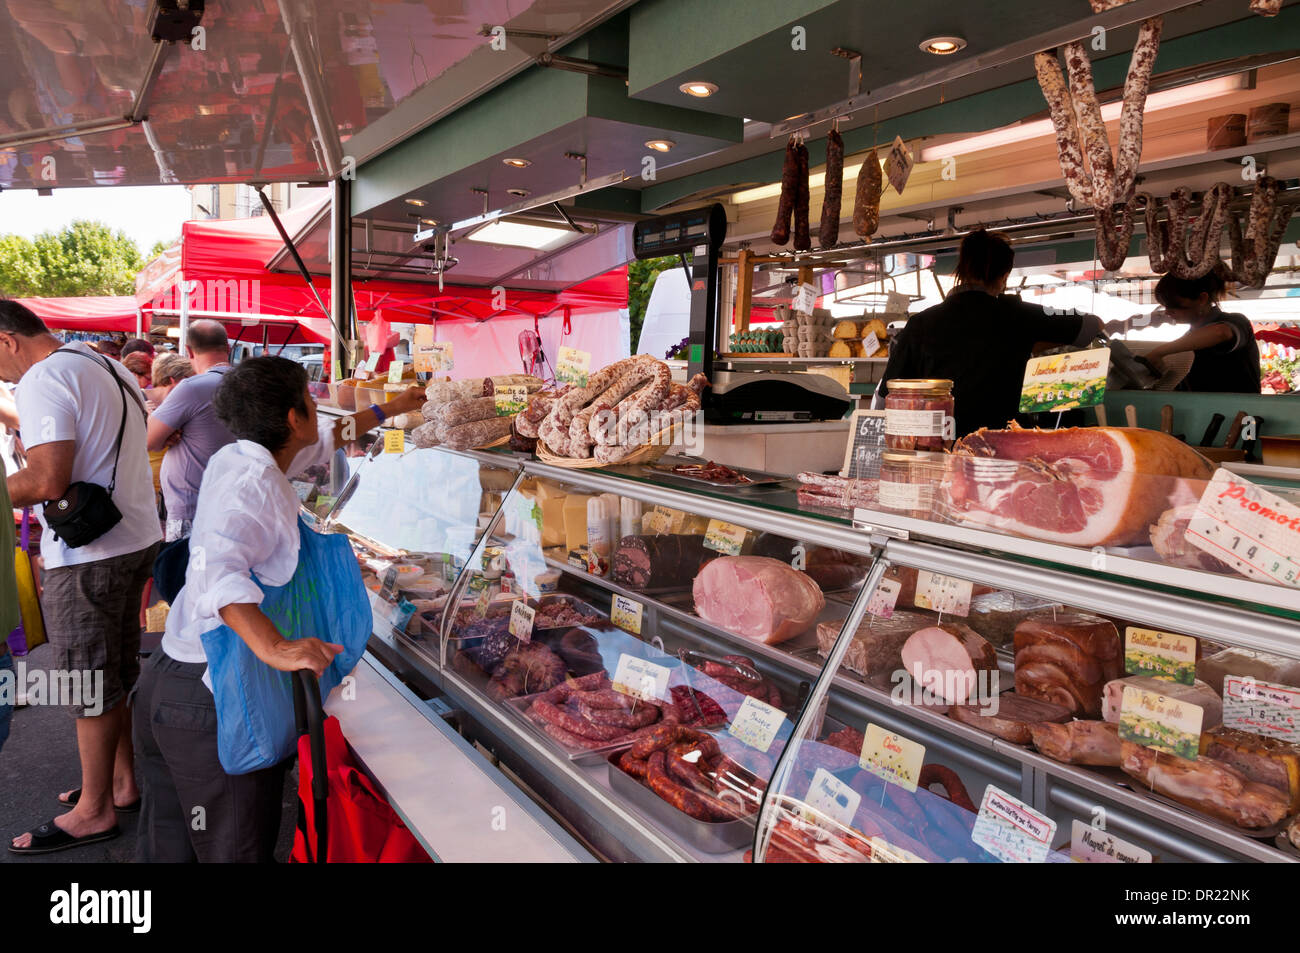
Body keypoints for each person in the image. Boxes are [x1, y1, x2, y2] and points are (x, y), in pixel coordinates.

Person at [133, 356, 424, 862]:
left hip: (172, 679)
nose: (319, 413)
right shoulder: (254, 484)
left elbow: (332, 435)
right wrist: (277, 646)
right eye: (312, 404)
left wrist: (393, 407)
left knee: (171, 840)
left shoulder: (243, 454)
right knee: (236, 847)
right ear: (293, 417)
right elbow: (218, 573)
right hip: (211, 694)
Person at [0, 301, 161, 855]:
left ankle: (94, 811)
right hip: (135, 535)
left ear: (7, 339)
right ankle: (119, 784)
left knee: (83, 679)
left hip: (89, 551)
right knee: (112, 670)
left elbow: (47, 479)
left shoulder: (42, 379)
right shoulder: (102, 361)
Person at [877, 229, 1103, 437]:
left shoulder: (921, 323)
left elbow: (885, 396)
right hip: (1001, 451)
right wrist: (1032, 343)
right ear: (1004, 275)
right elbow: (1091, 326)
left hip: (939, 449)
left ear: (961, 269)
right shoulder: (1018, 316)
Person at [146, 320, 235, 542]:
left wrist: (153, 418)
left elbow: (149, 440)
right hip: (234, 504)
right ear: (229, 348)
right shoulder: (247, 383)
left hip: (193, 508)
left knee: (187, 573)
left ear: (188, 351)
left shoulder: (192, 387)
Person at [1141, 271, 1260, 394]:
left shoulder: (1236, 321)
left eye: (1174, 305)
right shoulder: (1189, 339)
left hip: (1240, 411)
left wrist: (1159, 352)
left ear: (1202, 299)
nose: (1167, 312)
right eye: (1165, 306)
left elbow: (1220, 333)